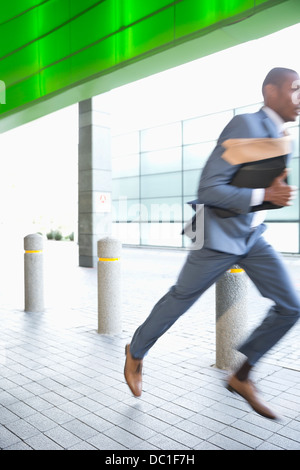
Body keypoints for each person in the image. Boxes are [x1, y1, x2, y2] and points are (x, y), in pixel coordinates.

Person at [124, 67, 300, 420]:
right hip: (219, 235)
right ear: (270, 92)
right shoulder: (247, 125)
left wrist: (271, 194)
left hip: (251, 236)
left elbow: (258, 182)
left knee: (291, 305)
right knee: (181, 298)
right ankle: (136, 351)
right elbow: (210, 189)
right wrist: (265, 193)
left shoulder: (280, 134)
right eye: (294, 89)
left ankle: (242, 376)